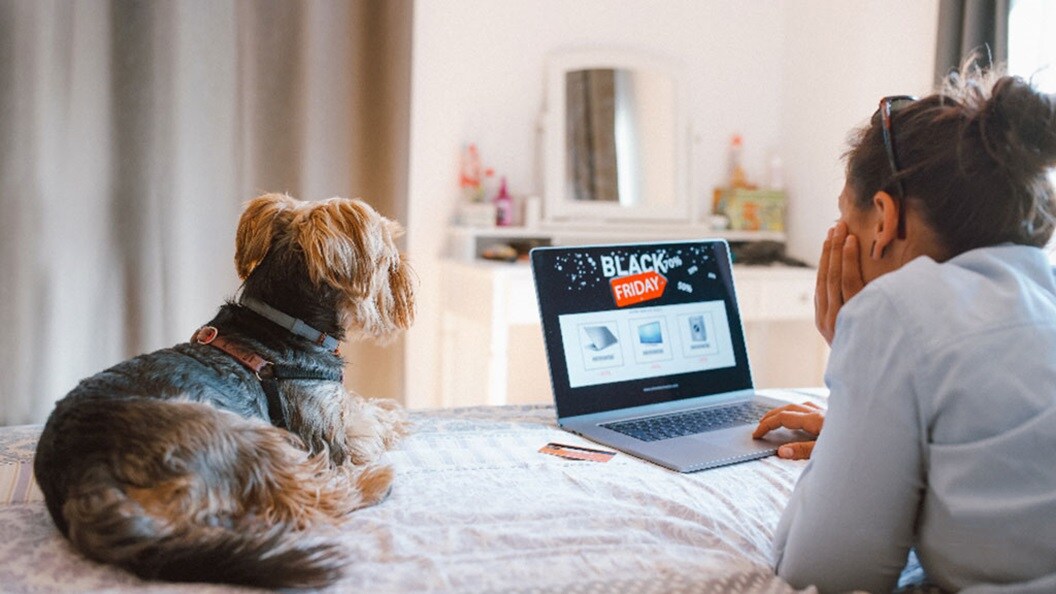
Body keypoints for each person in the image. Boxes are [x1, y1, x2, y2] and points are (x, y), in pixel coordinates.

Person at [752, 65, 1056, 593]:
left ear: (885, 219)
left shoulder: (895, 312)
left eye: (845, 214)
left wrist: (853, 356)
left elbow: (825, 573)